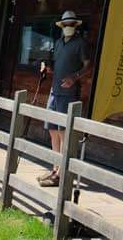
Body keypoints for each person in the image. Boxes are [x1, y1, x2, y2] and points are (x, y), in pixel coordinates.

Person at [37, 10, 91, 187]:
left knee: (63, 132)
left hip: (69, 93)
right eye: (65, 24)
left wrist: (74, 77)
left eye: (71, 24)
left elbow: (88, 66)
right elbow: (55, 64)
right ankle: (55, 168)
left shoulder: (81, 43)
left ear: (76, 26)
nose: (68, 27)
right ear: (62, 26)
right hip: (54, 91)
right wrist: (46, 67)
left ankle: (61, 173)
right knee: (52, 130)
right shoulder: (58, 43)